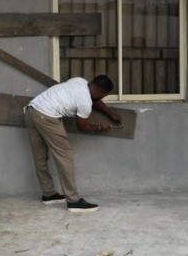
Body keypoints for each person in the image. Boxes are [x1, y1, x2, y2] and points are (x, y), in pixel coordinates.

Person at [24, 75, 122, 212]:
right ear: (100, 93)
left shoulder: (80, 81)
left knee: (40, 157)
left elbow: (95, 100)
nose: (102, 99)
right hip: (47, 116)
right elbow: (82, 126)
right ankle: (73, 201)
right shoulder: (85, 103)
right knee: (65, 156)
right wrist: (100, 127)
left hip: (31, 110)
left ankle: (49, 194)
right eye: (104, 96)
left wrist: (111, 113)